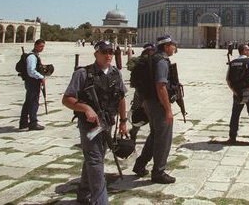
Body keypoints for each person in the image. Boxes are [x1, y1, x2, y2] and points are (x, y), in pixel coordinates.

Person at [62, 40, 128, 205]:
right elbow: (67, 99)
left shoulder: (115, 73)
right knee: (95, 160)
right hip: (90, 126)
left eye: (111, 52)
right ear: (96, 54)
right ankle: (101, 201)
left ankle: (84, 193)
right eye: (104, 52)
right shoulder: (83, 74)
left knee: (95, 157)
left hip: (106, 124)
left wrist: (124, 121)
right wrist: (85, 108)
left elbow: (121, 98)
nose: (108, 55)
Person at [132, 35, 178, 184]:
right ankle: (159, 172)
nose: (174, 48)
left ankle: (140, 165)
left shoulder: (152, 58)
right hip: (158, 104)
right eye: (172, 45)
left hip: (149, 102)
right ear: (166, 46)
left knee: (155, 135)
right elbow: (161, 86)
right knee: (163, 137)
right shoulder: (162, 61)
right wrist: (168, 109)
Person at [227, 44, 249, 144]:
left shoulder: (232, 63)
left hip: (237, 92)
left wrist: (235, 91)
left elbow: (228, 79)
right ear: (244, 51)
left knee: (235, 114)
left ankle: (232, 137)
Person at [128, 42, 156, 140]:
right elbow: (130, 66)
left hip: (147, 93)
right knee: (140, 115)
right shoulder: (140, 62)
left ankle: (149, 135)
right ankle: (134, 134)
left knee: (146, 116)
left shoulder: (153, 61)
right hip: (141, 94)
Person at [19, 39, 47, 131]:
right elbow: (31, 71)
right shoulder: (32, 57)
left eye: (43, 46)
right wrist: (41, 77)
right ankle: (33, 123)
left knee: (28, 102)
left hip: (33, 82)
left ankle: (23, 123)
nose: (42, 48)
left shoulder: (35, 56)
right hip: (32, 82)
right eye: (40, 46)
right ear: (35, 45)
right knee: (33, 103)